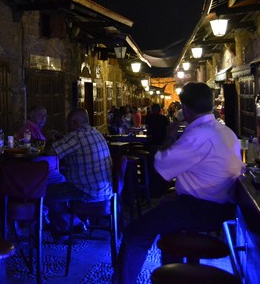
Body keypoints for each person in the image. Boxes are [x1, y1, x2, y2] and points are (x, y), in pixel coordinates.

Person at [114, 82, 245, 284]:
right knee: (168, 223)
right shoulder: (226, 132)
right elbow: (207, 173)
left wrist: (170, 136)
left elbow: (161, 165)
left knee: (134, 233)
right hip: (223, 206)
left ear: (185, 108)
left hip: (201, 210)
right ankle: (173, 274)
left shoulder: (198, 134)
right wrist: (177, 194)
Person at [45, 108, 113, 242]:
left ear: (74, 122)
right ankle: (71, 224)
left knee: (46, 193)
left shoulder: (76, 136)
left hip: (88, 191)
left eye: (68, 123)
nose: (67, 126)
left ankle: (70, 226)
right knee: (58, 188)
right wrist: (62, 137)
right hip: (105, 190)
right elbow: (72, 143)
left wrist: (49, 139)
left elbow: (50, 152)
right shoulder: (95, 132)